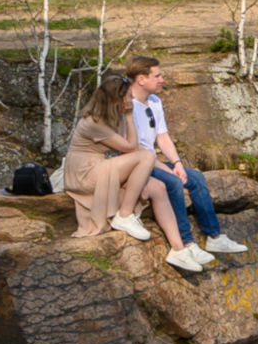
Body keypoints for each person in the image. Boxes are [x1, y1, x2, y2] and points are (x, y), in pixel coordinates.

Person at [65, 72, 210, 272]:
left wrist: (155, 175)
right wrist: (128, 115)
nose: (131, 99)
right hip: (84, 173)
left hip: (103, 168)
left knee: (158, 187)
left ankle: (179, 249)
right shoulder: (94, 122)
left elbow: (136, 150)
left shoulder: (113, 116)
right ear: (116, 100)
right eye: (127, 96)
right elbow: (131, 147)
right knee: (148, 156)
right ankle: (124, 215)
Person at [126, 55, 247, 260]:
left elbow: (162, 137)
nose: (162, 80)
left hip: (152, 159)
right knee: (173, 182)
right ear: (141, 79)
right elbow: (134, 148)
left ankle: (214, 236)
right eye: (157, 76)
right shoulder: (126, 105)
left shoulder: (154, 101)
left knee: (196, 178)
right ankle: (186, 242)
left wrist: (177, 163)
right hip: (135, 163)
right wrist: (168, 171)